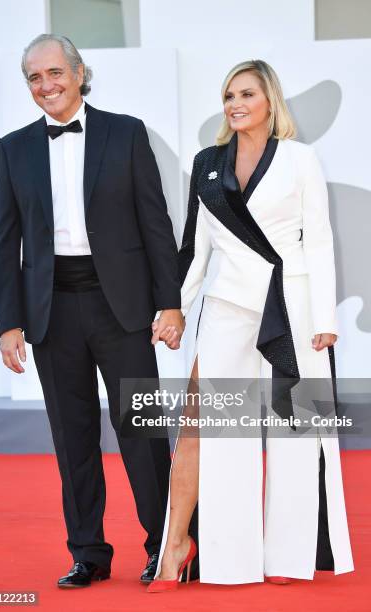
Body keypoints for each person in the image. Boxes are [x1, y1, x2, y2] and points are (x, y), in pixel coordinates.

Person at [148, 59, 354, 592]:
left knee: (297, 432)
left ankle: (288, 557)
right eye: (228, 95)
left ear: (270, 101)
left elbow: (322, 239)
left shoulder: (301, 159)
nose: (235, 104)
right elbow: (195, 248)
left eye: (246, 94)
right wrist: (173, 310)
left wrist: (327, 319)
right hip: (227, 309)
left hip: (296, 309)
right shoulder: (207, 163)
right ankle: (228, 561)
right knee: (221, 433)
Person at [0, 33, 184, 589]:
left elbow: (156, 224)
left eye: (54, 72)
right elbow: (5, 242)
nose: (46, 85)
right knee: (72, 439)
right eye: (34, 77)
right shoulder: (13, 148)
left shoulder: (125, 133)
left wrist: (168, 302)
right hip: (52, 311)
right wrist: (9, 322)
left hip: (122, 306)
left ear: (78, 72)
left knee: (142, 433)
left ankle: (164, 545)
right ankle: (89, 553)